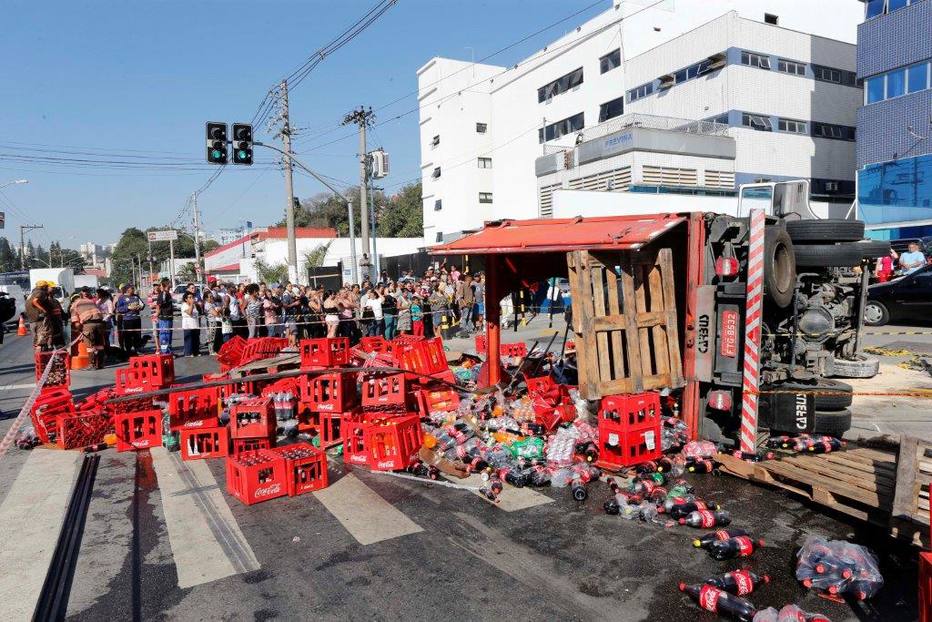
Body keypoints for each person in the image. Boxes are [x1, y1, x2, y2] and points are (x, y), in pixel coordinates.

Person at [71, 287, 107, 369]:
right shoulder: (90, 301)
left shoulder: (74, 305)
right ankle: (100, 364)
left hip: (89, 325)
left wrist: (79, 330)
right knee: (99, 344)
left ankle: (92, 365)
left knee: (90, 346)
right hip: (100, 323)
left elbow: (76, 323)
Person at [27, 280, 64, 351]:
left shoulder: (32, 294)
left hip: (33, 320)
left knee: (37, 341)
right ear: (44, 287)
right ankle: (46, 353)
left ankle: (41, 356)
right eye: (49, 287)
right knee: (44, 338)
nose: (53, 289)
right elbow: (35, 301)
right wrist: (44, 310)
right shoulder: (41, 293)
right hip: (40, 319)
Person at [115, 285, 145, 355]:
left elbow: (142, 304)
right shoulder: (122, 297)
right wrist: (128, 308)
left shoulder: (136, 296)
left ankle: (137, 349)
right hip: (127, 319)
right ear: (128, 290)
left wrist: (140, 307)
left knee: (137, 335)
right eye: (132, 289)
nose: (133, 290)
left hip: (137, 318)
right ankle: (128, 350)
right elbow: (119, 309)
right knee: (128, 335)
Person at [155, 278, 174, 354]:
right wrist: (157, 314)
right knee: (164, 336)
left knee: (169, 335)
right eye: (169, 283)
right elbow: (158, 305)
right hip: (164, 318)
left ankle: (169, 351)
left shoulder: (168, 293)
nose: (171, 284)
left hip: (169, 318)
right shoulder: (163, 294)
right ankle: (165, 352)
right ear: (166, 284)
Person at [180, 291, 200, 356]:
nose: (192, 298)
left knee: (195, 340)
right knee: (189, 340)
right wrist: (191, 304)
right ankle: (188, 353)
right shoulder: (184, 305)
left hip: (195, 325)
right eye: (190, 297)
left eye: (192, 297)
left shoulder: (194, 305)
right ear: (186, 299)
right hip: (188, 326)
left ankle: (195, 352)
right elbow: (189, 312)